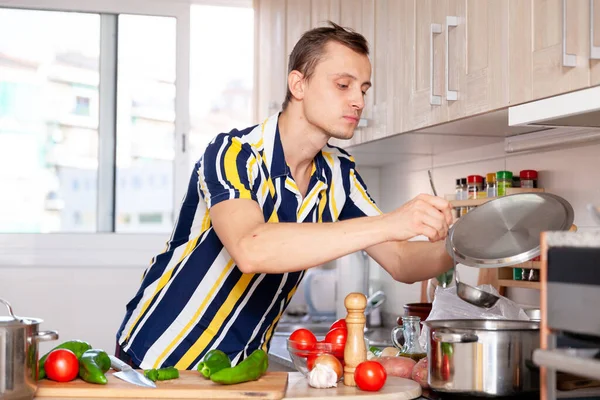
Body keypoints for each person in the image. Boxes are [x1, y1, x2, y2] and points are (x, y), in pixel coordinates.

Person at [115, 21, 453, 370]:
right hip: (157, 358)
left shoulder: (338, 173)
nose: (359, 101)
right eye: (343, 85)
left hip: (238, 370)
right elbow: (251, 248)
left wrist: (472, 243)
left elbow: (401, 261)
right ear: (298, 84)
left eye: (364, 89)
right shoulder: (233, 153)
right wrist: (389, 223)